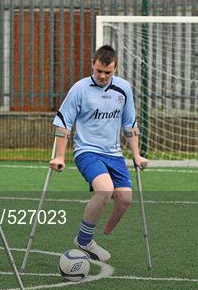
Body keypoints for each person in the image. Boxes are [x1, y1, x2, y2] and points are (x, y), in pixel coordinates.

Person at [49, 45, 148, 262]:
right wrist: (59, 156)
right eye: (98, 71)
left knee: (124, 199)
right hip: (87, 151)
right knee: (105, 190)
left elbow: (130, 124)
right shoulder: (80, 89)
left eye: (107, 72)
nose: (102, 76)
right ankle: (85, 240)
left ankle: (104, 233)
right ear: (93, 66)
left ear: (115, 69)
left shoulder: (123, 89)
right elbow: (64, 123)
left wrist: (137, 155)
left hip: (114, 153)